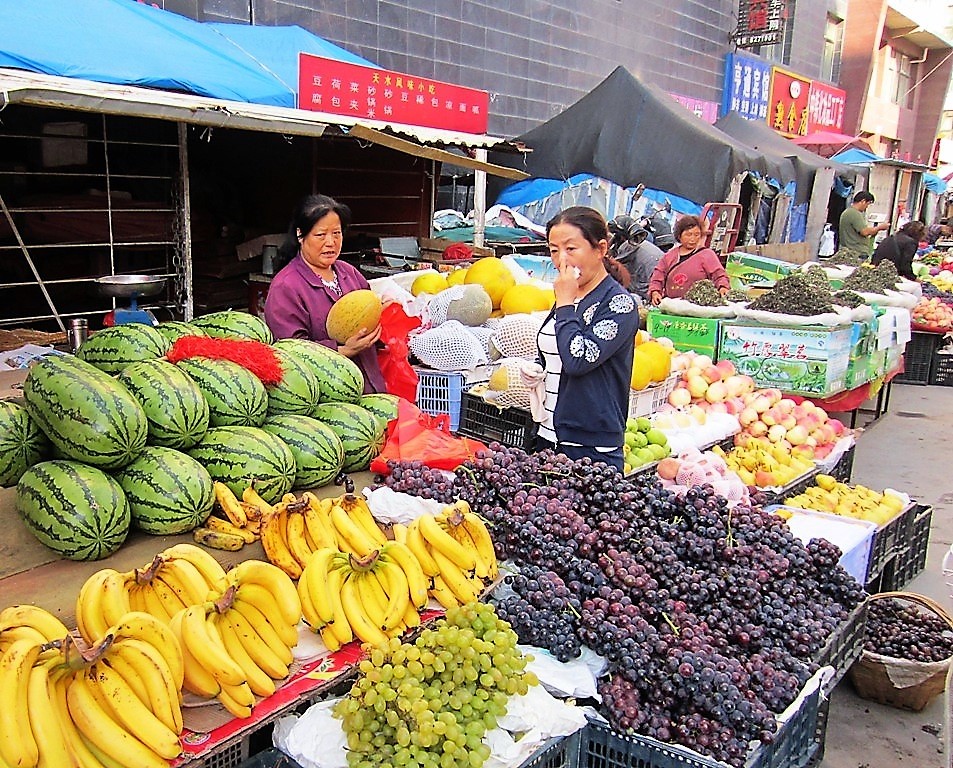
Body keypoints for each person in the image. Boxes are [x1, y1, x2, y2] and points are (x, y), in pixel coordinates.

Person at [534, 206, 638, 472]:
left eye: (571, 249)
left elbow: (578, 360)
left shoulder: (618, 304)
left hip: (591, 445)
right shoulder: (568, 296)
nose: (561, 261)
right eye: (554, 250)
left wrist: (565, 304)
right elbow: (556, 352)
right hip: (549, 433)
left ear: (601, 249)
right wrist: (536, 371)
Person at [264, 193, 386, 394]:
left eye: (336, 233)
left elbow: (369, 315)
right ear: (300, 235)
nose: (331, 242)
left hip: (371, 389)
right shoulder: (285, 287)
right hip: (327, 401)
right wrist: (343, 351)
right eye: (321, 235)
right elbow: (289, 352)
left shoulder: (349, 272)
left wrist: (384, 309)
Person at [647, 214, 730, 304]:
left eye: (696, 235)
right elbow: (657, 277)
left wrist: (723, 287)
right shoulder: (669, 256)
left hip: (700, 305)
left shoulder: (707, 255)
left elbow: (719, 274)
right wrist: (655, 292)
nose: (693, 239)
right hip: (673, 305)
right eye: (688, 235)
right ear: (679, 236)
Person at [608, 216, 665, 302]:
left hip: (648, 288)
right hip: (656, 286)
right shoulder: (643, 243)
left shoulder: (629, 245)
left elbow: (611, 267)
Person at [838, 191, 890, 257]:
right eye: (868, 204)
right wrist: (879, 228)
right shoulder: (854, 213)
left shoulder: (848, 212)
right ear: (863, 201)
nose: (867, 207)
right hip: (856, 252)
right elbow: (864, 232)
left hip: (850, 251)